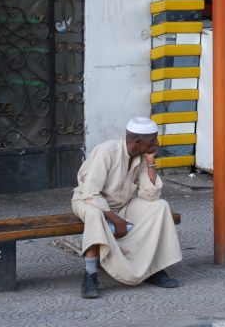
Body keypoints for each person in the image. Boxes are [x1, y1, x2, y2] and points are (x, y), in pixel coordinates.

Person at [71, 116, 182, 299]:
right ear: (138, 142)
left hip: (122, 205)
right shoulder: (107, 151)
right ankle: (90, 275)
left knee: (160, 206)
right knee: (94, 214)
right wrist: (116, 220)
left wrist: (152, 161)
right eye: (153, 139)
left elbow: (150, 194)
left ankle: (154, 269)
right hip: (87, 202)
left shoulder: (144, 155)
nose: (157, 143)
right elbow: (90, 193)